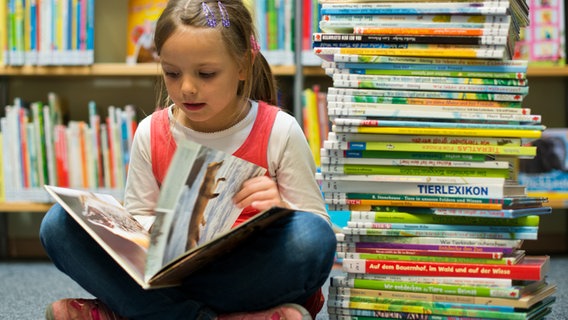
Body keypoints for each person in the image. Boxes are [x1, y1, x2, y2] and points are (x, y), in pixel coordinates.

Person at [39, 0, 337, 319]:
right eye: (172, 73)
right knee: (58, 225)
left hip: (244, 276)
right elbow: (139, 219)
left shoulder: (279, 130)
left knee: (312, 238)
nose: (187, 88)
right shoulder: (151, 133)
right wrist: (148, 230)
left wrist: (282, 207)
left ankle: (139, 312)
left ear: (243, 67)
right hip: (171, 276)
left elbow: (317, 226)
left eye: (206, 74)